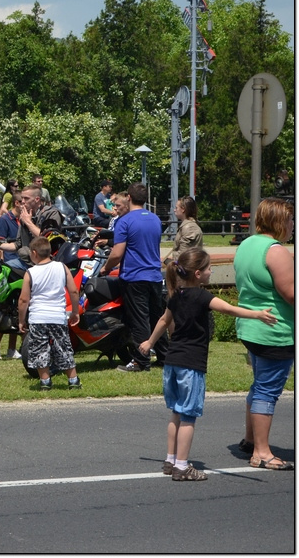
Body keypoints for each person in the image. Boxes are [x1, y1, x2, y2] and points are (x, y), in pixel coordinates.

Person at [140, 248, 277, 481]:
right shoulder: (202, 297)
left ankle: (170, 459)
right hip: (191, 365)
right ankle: (182, 467)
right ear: (197, 274)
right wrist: (258, 315)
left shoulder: (175, 295)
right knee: (188, 416)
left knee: (175, 413)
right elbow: (230, 309)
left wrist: (149, 342)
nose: (211, 271)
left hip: (172, 362)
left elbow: (164, 321)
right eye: (208, 268)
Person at [233, 197, 294, 471]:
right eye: (291, 220)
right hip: (274, 330)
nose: (293, 225)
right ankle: (262, 451)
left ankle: (250, 439)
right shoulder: (276, 251)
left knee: (259, 385)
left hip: (251, 327)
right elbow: (291, 293)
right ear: (280, 220)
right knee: (267, 391)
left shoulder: (247, 244)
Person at [106, 182, 168, 372]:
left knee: (139, 319)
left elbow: (117, 253)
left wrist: (105, 268)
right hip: (155, 275)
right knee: (156, 317)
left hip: (134, 276)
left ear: (129, 198)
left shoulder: (124, 221)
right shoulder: (155, 219)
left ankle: (141, 360)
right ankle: (165, 356)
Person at [18, 236, 81, 390]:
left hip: (38, 317)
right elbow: (73, 290)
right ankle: (73, 380)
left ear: (34, 253)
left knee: (40, 349)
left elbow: (23, 300)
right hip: (57, 316)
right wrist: (74, 311)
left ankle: (45, 381)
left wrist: (21, 320)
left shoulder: (30, 272)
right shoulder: (62, 267)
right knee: (63, 348)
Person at [0, 183, 62, 271]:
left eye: (26, 198)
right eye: (22, 198)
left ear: (37, 199)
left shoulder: (50, 213)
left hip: (44, 265)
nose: (23, 201)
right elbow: (17, 245)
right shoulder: (25, 215)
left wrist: (28, 222)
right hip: (26, 262)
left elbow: (48, 241)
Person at [0, 192, 22, 360]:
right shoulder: (4, 220)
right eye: (23, 202)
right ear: (16, 203)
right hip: (8, 267)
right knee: (3, 307)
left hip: (20, 268)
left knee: (16, 308)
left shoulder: (23, 220)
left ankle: (11, 349)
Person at [163, 196, 203, 266]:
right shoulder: (187, 226)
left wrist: (169, 263)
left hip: (188, 271)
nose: (174, 210)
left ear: (183, 209)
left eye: (176, 208)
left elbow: (183, 256)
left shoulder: (190, 228)